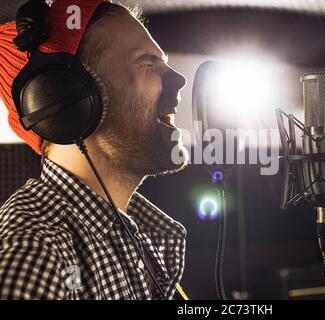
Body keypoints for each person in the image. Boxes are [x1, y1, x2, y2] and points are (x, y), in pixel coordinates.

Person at [0, 0, 188, 299]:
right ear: (68, 99)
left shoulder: (140, 236)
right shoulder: (36, 251)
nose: (179, 80)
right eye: (148, 63)